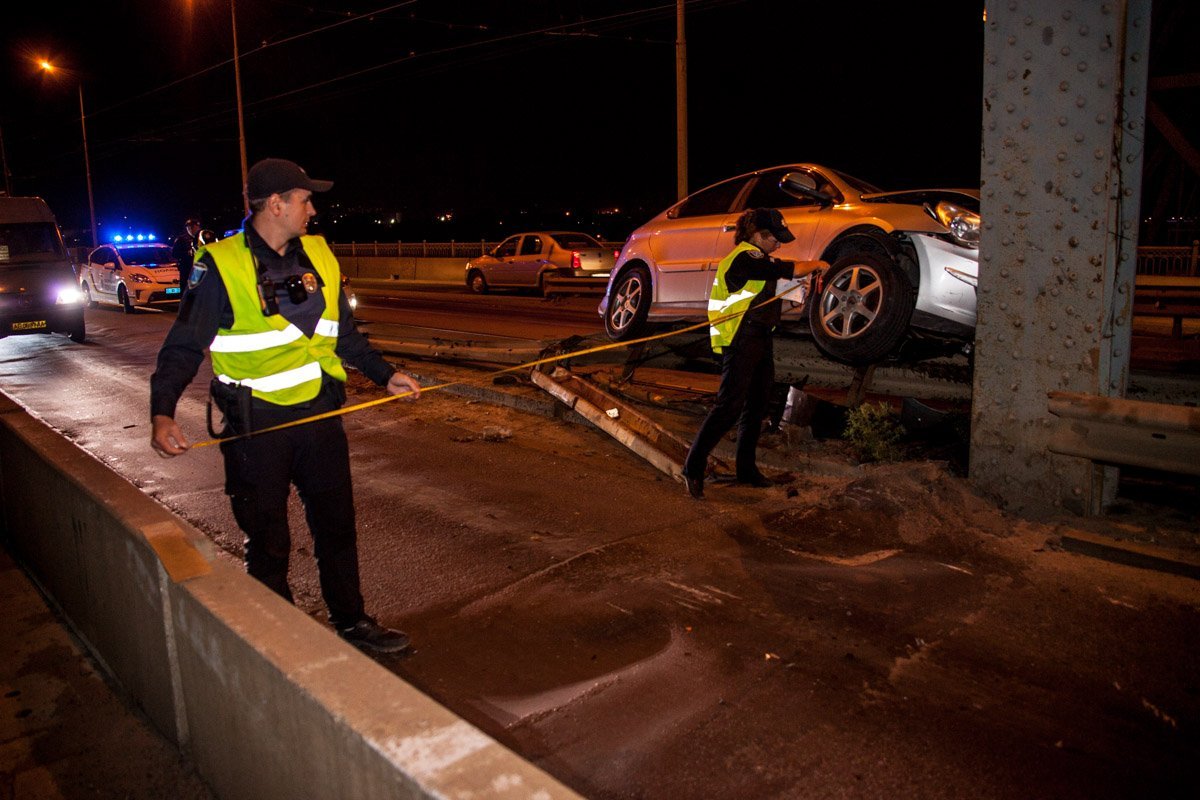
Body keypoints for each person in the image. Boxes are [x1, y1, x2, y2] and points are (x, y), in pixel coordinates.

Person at [149, 157, 423, 653]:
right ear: (275, 204)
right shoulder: (220, 265)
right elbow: (183, 346)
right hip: (257, 428)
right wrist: (162, 410)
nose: (312, 210)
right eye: (304, 199)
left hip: (320, 417)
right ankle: (280, 642)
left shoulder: (320, 254)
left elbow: (344, 336)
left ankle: (353, 622)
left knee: (337, 528)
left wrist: (386, 375)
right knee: (269, 543)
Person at [681, 207, 813, 499]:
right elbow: (779, 268)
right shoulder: (745, 256)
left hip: (761, 337)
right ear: (757, 235)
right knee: (729, 406)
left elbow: (765, 287)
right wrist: (816, 264)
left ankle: (746, 469)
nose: (778, 243)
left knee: (757, 405)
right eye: (774, 238)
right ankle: (692, 467)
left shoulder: (758, 260)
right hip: (742, 338)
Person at [172, 218, 202, 297]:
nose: (191, 229)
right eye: (189, 227)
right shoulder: (181, 240)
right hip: (186, 270)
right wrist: (186, 253)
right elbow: (174, 254)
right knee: (186, 292)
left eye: (194, 227)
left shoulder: (201, 239)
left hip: (199, 269)